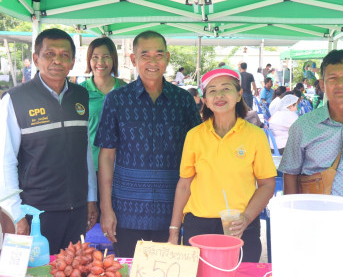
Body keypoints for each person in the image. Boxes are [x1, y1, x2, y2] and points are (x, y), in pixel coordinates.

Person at [95, 30, 202, 258]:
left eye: (159, 55)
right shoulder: (116, 100)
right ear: (133, 59)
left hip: (173, 212)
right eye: (145, 55)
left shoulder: (183, 101)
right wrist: (106, 209)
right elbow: (106, 156)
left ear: (168, 58)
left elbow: (197, 155)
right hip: (127, 211)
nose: (153, 62)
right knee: (128, 270)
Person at [0, 28, 98, 254]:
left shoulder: (80, 96)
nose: (57, 60)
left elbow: (84, 152)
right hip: (34, 212)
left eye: (64, 55)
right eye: (49, 54)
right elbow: (4, 161)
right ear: (36, 58)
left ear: (73, 61)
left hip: (76, 208)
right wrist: (15, 214)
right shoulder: (15, 99)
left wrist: (91, 197)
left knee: (71, 268)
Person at [168, 67, 276, 262]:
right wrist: (174, 231)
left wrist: (246, 218)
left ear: (239, 95)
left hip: (241, 225)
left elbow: (267, 184)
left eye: (226, 89)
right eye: (212, 91)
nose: (219, 95)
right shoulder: (194, 136)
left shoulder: (256, 136)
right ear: (205, 100)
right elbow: (184, 186)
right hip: (198, 226)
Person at [279, 49, 343, 241]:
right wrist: (292, 222)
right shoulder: (303, 126)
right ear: (323, 85)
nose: (340, 84)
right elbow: (290, 174)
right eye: (332, 78)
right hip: (319, 227)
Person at [80, 37, 126, 215]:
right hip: (90, 170)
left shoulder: (126, 91)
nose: (100, 62)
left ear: (113, 59)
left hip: (120, 168)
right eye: (95, 57)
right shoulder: (80, 92)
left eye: (106, 57)